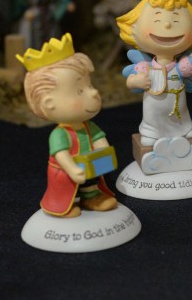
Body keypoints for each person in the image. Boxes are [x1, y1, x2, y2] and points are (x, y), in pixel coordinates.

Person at [18, 33, 118, 218]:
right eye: (80, 90)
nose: (94, 93)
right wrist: (72, 168)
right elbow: (61, 154)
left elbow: (99, 139)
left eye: (90, 85)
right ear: (49, 104)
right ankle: (62, 206)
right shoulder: (60, 134)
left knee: (91, 182)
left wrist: (104, 152)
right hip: (65, 171)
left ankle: (92, 197)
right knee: (65, 188)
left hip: (90, 165)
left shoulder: (88, 126)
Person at [116, 0, 192, 150]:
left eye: (176, 20)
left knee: (182, 120)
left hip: (179, 113)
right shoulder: (145, 67)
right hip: (153, 116)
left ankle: (183, 129)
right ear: (134, 29)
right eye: (157, 19)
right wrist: (136, 81)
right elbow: (130, 82)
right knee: (152, 125)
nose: (167, 24)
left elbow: (189, 66)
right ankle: (151, 132)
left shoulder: (178, 68)